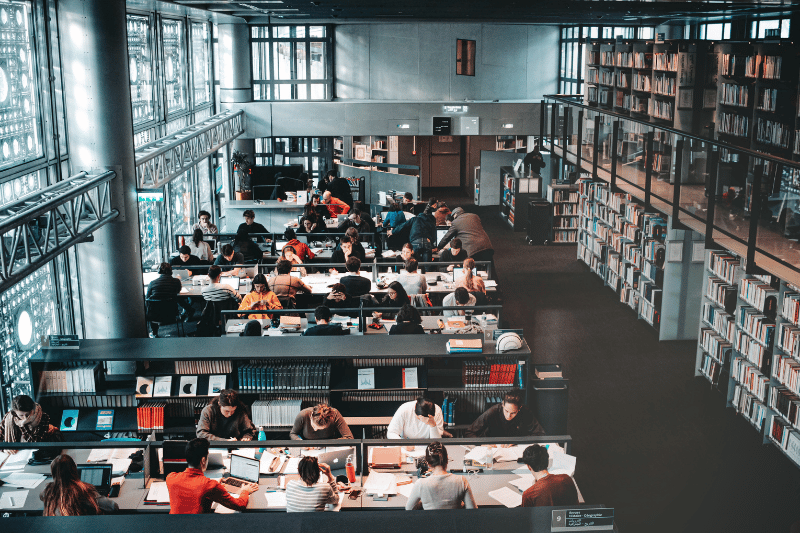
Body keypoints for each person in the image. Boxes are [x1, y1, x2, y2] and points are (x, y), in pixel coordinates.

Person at [166, 438, 257, 514]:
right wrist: (245, 491)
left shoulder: (170, 478)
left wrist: (215, 485)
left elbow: (191, 488)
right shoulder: (210, 486)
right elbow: (239, 505)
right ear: (203, 460)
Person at [405, 441, 476, 510]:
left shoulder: (420, 484)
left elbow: (409, 508)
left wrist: (424, 502)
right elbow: (472, 510)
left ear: (428, 463)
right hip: (453, 521)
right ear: (447, 459)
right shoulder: (461, 481)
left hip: (430, 521)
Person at [40, 454, 119, 515]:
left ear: (53, 473)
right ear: (74, 470)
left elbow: (41, 496)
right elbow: (113, 506)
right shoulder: (84, 491)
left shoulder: (48, 492)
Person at [464, 392, 545, 438]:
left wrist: (518, 441)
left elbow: (540, 434)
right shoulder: (492, 411)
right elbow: (468, 432)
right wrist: (482, 444)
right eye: (506, 411)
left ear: (519, 409)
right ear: (502, 404)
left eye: (513, 413)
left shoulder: (525, 412)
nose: (508, 416)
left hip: (514, 448)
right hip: (491, 446)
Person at [145, 262, 183, 337]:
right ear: (171, 271)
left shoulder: (152, 283)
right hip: (171, 313)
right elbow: (178, 291)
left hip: (154, 315)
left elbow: (147, 298)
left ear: (159, 271)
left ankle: (154, 332)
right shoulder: (176, 281)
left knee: (152, 306)